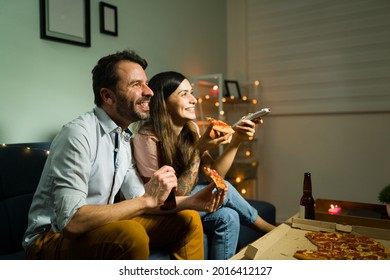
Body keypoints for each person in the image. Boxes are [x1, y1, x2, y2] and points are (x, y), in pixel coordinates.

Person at [22, 51, 226, 260]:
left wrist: (191, 201)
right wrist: (147, 199)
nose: (149, 92)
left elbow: (139, 198)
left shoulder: (123, 136)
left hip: (100, 227)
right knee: (131, 234)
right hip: (49, 238)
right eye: (136, 85)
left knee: (189, 219)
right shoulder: (78, 134)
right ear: (107, 96)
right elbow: (72, 222)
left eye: (146, 83)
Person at [131, 71, 275, 260]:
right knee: (226, 189)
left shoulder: (191, 129)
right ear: (162, 103)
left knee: (229, 217)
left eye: (191, 92)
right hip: (161, 210)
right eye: (183, 94)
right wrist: (198, 151)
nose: (193, 100)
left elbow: (214, 175)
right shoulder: (146, 139)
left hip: (184, 203)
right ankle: (269, 230)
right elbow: (172, 197)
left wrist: (237, 140)